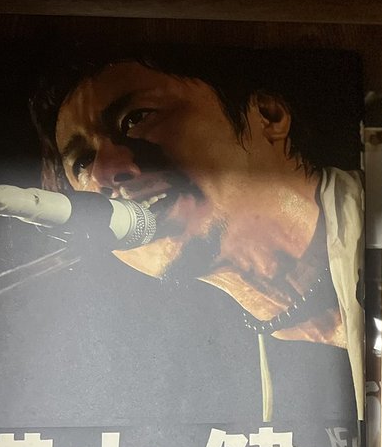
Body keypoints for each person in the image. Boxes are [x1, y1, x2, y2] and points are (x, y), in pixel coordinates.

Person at [30, 47, 364, 426]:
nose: (106, 173)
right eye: (82, 163)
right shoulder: (186, 383)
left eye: (137, 118)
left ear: (268, 116)